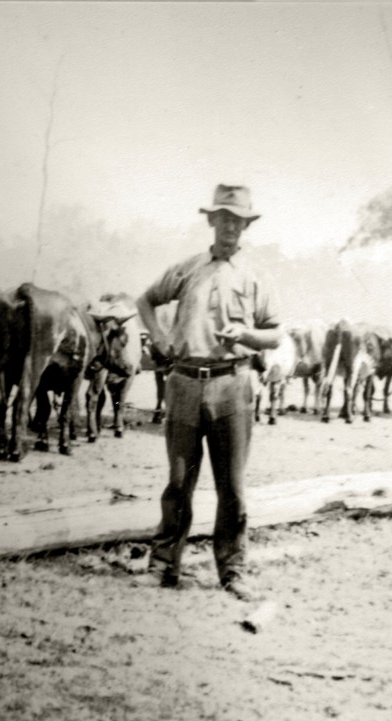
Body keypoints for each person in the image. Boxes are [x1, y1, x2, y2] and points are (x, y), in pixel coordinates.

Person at [134, 183, 281, 600]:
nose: (230, 226)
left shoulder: (256, 275)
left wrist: (246, 334)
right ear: (212, 221)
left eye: (238, 220)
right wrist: (160, 337)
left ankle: (233, 571)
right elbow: (145, 301)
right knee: (178, 483)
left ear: (246, 226)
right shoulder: (188, 269)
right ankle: (163, 565)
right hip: (183, 383)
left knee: (231, 487)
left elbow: (276, 334)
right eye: (224, 218)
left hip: (233, 385)